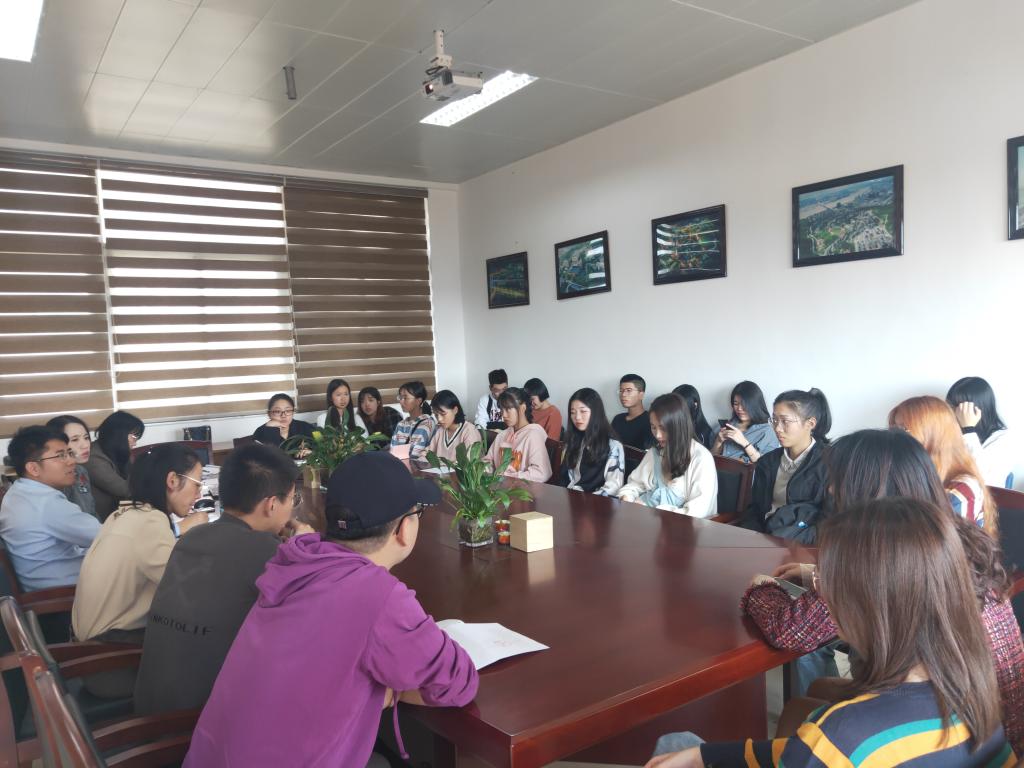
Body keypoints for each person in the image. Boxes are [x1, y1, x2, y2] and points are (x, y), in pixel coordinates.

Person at [649, 497, 1014, 767]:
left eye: (827, 579)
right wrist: (707, 754)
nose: (820, 589)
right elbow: (811, 752)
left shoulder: (842, 735)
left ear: (869, 606)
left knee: (673, 741)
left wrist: (700, 754)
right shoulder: (974, 688)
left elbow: (826, 750)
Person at [183, 452, 479, 768]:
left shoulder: (294, 562)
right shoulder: (378, 596)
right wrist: (391, 691)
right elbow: (457, 683)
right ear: (404, 529)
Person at [742, 429, 1024, 755]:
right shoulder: (953, 532)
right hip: (998, 717)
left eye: (837, 480)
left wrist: (762, 588)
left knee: (802, 712)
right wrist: (816, 575)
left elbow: (791, 630)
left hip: (964, 730)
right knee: (818, 690)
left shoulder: (879, 552)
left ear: (869, 488)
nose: (830, 490)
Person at [133, 443, 307, 715]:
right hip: (197, 723)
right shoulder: (270, 553)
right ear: (271, 504)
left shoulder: (191, 537)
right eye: (292, 500)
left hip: (150, 707)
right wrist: (304, 549)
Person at [73, 443, 208, 645]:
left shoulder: (126, 513)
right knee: (211, 629)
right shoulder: (150, 522)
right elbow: (185, 585)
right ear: (172, 480)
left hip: (95, 633)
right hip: (109, 645)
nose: (199, 495)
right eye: (197, 484)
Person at [0, 426, 100, 591]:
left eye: (69, 453)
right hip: (67, 594)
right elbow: (104, 536)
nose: (71, 461)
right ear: (33, 468)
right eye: (61, 456)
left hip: (45, 586)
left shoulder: (18, 492)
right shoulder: (45, 502)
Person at [889, 395, 995, 534]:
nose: (894, 438)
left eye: (904, 430)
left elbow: (943, 546)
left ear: (933, 436)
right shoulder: (904, 473)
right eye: (894, 430)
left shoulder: (962, 490)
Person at [741, 389, 831, 543]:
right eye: (775, 420)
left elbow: (828, 520)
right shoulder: (767, 462)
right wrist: (752, 538)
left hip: (799, 544)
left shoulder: (828, 464)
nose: (777, 428)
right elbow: (755, 508)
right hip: (763, 538)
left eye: (785, 421)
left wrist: (784, 540)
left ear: (810, 423)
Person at [617, 394, 717, 518]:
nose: (658, 435)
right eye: (653, 427)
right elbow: (635, 484)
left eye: (663, 428)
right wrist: (627, 497)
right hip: (643, 519)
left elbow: (698, 512)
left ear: (678, 425)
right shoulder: (655, 452)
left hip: (676, 526)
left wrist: (652, 512)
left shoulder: (701, 458)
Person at [947, 376, 1015, 489]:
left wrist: (968, 428)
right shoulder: (952, 432)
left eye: (956, 408)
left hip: (983, 497)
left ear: (975, 410)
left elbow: (980, 479)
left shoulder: (1004, 439)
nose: (951, 412)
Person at [558, 387, 624, 496]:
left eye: (583, 411)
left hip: (597, 502)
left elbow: (613, 487)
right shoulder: (573, 440)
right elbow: (564, 478)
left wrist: (587, 501)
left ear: (595, 413)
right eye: (572, 412)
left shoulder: (613, 446)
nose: (577, 417)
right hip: (570, 498)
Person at [484, 387, 553, 482]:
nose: (504, 415)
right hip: (500, 488)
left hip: (523, 490)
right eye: (502, 409)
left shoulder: (533, 435)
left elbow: (541, 473)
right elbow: (488, 461)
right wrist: (484, 469)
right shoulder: (502, 435)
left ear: (522, 408)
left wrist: (510, 476)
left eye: (508, 409)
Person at [86, 410, 144, 521]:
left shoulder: (117, 451)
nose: (135, 442)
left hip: (120, 514)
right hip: (102, 522)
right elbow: (126, 490)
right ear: (120, 434)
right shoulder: (94, 458)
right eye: (134, 436)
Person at [711, 380, 779, 463]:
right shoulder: (723, 426)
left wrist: (744, 442)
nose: (739, 408)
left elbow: (767, 464)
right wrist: (718, 441)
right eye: (736, 404)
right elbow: (709, 459)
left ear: (755, 404)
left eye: (744, 404)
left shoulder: (767, 432)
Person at [46, 414, 97, 519]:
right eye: (75, 440)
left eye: (86, 438)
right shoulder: (53, 478)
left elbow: (91, 511)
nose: (85, 445)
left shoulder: (81, 470)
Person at [425, 389, 481, 462]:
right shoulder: (440, 430)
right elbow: (428, 453)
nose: (439, 419)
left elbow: (469, 463)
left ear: (455, 410)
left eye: (443, 414)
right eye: (436, 415)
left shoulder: (469, 431)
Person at [391, 380, 437, 460]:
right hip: (398, 464)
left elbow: (415, 455)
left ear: (418, 401)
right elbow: (393, 452)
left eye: (405, 398)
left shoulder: (427, 424)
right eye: (400, 397)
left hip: (417, 466)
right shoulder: (400, 424)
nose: (401, 401)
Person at [611, 373, 653, 451]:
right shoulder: (617, 419)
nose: (623, 394)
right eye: (621, 391)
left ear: (641, 394)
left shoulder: (650, 420)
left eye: (629, 390)